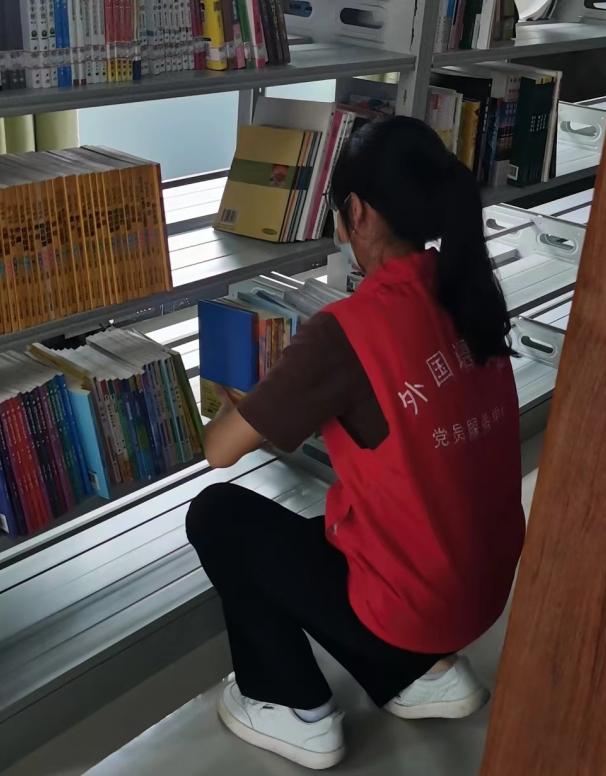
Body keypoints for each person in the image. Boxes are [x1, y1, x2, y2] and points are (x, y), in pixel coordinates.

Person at [185, 116, 525, 770]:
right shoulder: (467, 291)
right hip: (483, 587)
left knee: (219, 515)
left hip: (422, 602)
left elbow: (220, 451)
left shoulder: (348, 330)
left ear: (358, 213)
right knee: (332, 525)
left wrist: (238, 404)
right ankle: (422, 672)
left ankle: (293, 705)